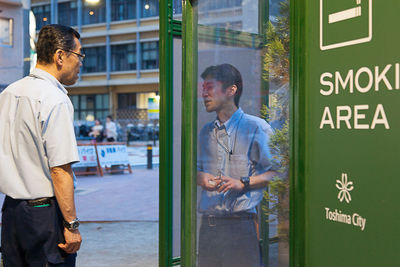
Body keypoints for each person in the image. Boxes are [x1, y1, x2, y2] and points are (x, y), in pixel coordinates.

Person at [0, 24, 83, 266]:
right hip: (44, 215)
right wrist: (71, 225)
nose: (81, 63)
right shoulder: (54, 98)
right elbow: (60, 169)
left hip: (12, 213)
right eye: (79, 55)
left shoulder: (8, 94)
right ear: (60, 56)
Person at [197, 64, 277, 267]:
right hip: (208, 227)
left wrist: (244, 183)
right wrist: (200, 177)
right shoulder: (206, 132)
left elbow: (279, 171)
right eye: (203, 88)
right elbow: (197, 169)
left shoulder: (257, 127)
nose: (204, 94)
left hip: (240, 227)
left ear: (231, 90)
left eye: (209, 87)